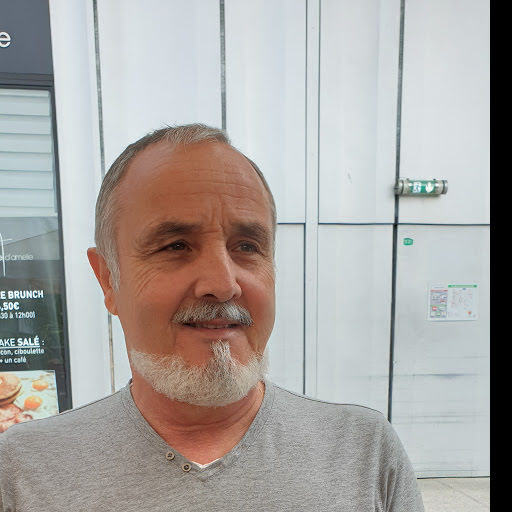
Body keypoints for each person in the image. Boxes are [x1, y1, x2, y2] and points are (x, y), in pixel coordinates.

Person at [0, 124, 424, 511]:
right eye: (175, 245)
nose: (223, 284)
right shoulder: (24, 469)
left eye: (247, 246)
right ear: (109, 279)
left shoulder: (364, 453)